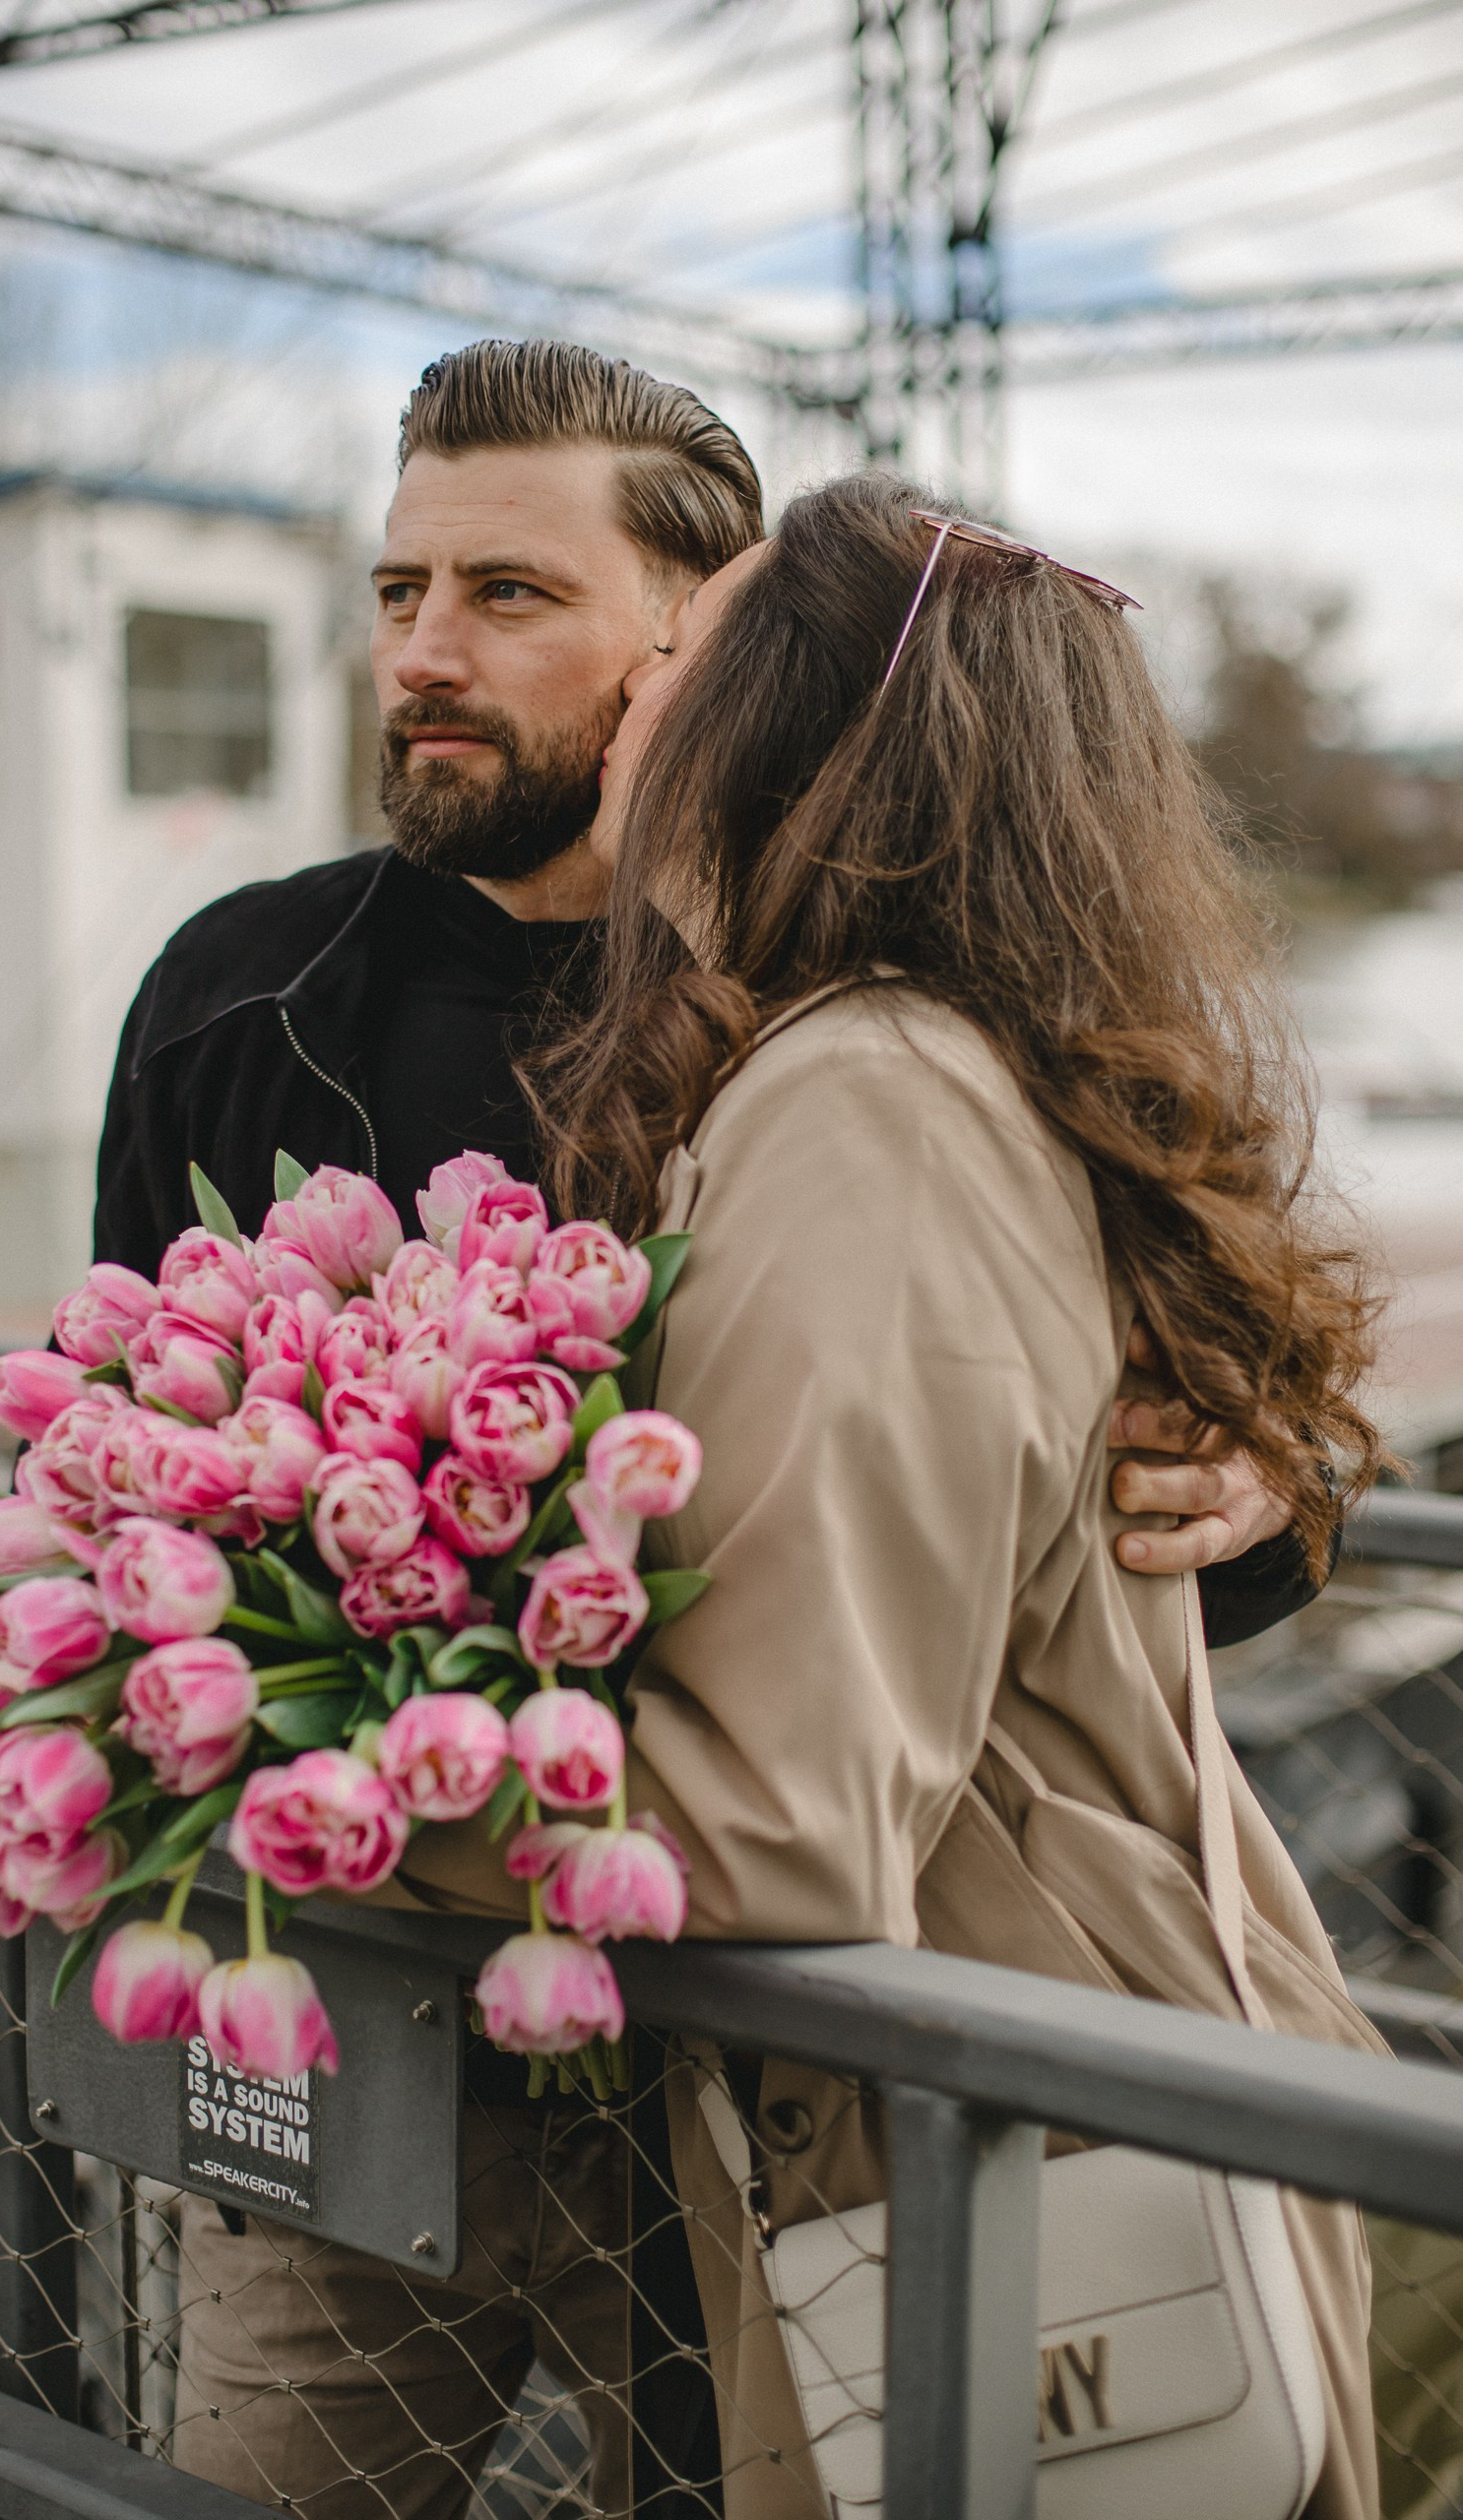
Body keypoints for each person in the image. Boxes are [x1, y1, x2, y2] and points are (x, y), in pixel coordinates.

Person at [0, 344, 1334, 2515]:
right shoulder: (240, 992)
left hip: (732, 2069)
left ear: (698, 650)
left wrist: (1259, 1483)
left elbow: (1006, 1519)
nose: (425, 651)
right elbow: (109, 1467)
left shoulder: (828, 1030)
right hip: (363, 2029)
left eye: (505, 591)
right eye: (394, 591)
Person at [504, 473, 1385, 2517]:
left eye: (682, 658)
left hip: (1004, 2155)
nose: (634, 701)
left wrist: (292, 1797)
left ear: (784, 730)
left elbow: (780, 1822)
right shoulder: (943, 1065)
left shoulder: (869, 1095)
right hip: (1066, 2090)